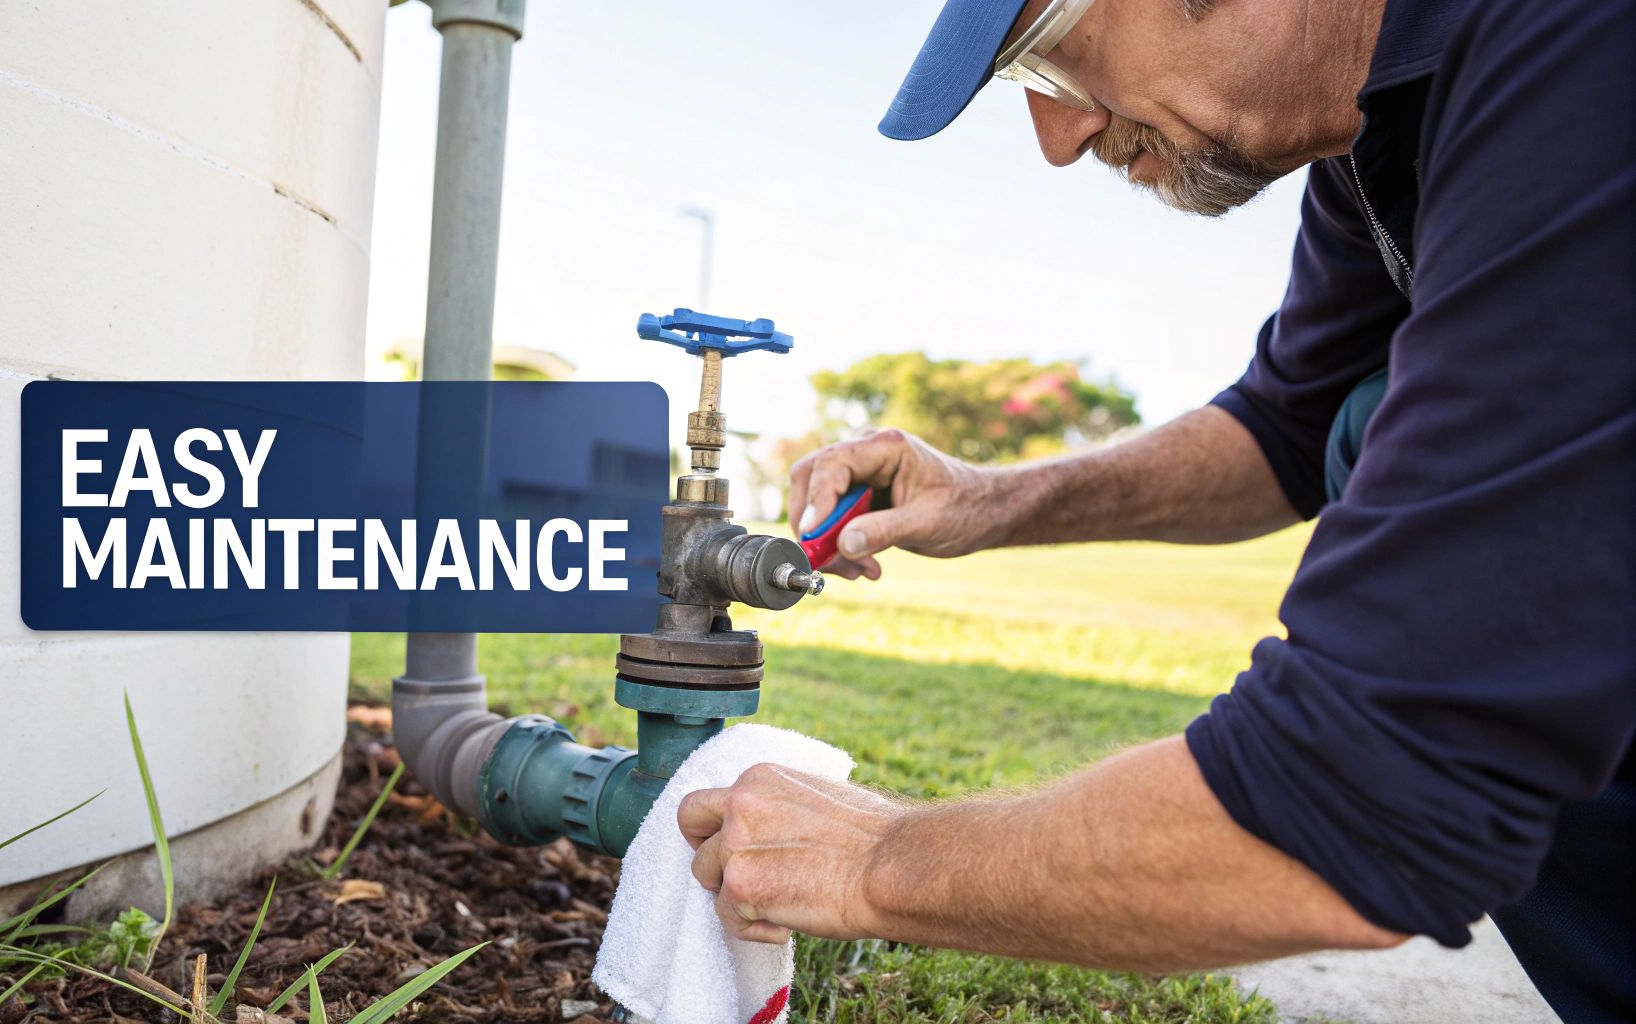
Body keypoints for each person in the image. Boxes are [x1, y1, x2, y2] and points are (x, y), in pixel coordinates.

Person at [672, 0, 1636, 1019]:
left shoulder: (1575, 46)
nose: (1057, 136)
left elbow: (1358, 797)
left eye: (1044, 58)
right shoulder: (1378, 130)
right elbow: (1286, 426)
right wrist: (992, 498)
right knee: (1359, 420)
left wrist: (876, 859)